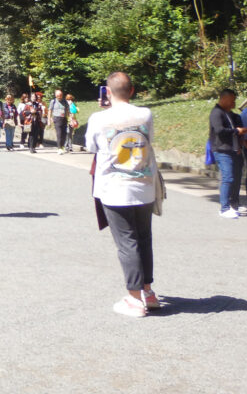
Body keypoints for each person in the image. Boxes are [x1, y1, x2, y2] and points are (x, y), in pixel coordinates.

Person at [85, 72, 160, 318]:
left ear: (107, 92)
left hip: (115, 188)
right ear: (133, 90)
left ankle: (134, 299)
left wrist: (105, 111)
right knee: (144, 239)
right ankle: (148, 292)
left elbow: (91, 146)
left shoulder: (99, 118)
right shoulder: (145, 114)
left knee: (127, 243)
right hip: (144, 185)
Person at [209, 88, 247, 219]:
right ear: (224, 98)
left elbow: (233, 132)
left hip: (234, 150)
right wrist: (237, 131)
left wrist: (238, 143)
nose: (234, 102)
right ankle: (224, 208)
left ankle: (234, 204)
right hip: (222, 150)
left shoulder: (229, 114)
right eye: (232, 99)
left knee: (236, 178)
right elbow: (220, 131)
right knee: (227, 178)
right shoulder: (216, 113)